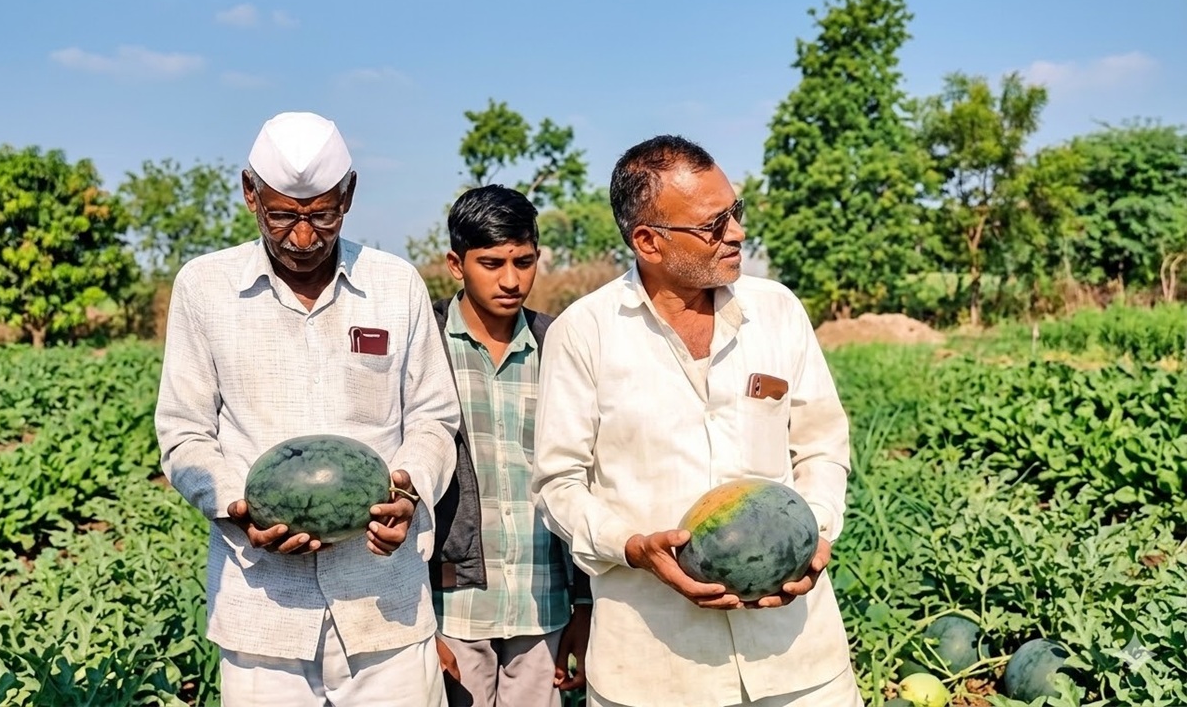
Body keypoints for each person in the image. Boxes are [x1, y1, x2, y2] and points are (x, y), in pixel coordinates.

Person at [529, 135, 862, 707]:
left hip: (798, 659)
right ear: (647, 241)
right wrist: (632, 546)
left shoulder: (777, 311)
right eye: (713, 225)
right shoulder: (584, 334)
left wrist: (816, 531)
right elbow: (558, 484)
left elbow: (822, 445)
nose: (736, 233)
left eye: (735, 212)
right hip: (656, 668)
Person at [154, 111, 461, 707]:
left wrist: (411, 489)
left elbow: (434, 418)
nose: (303, 237)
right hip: (262, 612)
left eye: (322, 215)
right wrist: (237, 507)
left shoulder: (395, 285)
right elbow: (184, 433)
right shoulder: (204, 287)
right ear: (250, 193)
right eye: (283, 215)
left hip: (385, 608)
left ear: (348, 194)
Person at [427, 184, 592, 707]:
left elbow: (586, 476)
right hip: (451, 606)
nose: (510, 279)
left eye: (524, 261)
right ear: (456, 264)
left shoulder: (559, 344)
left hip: (544, 603)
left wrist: (585, 603)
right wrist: (414, 624)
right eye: (491, 262)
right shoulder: (424, 343)